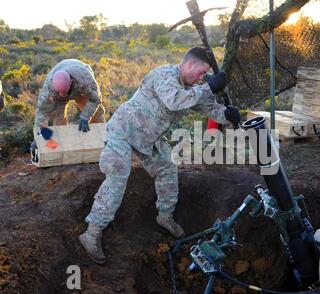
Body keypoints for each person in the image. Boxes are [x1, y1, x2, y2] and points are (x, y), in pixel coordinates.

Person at [79, 46, 241, 264]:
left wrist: (228, 115)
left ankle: (165, 216)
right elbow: (175, 100)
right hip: (123, 131)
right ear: (189, 64)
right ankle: (91, 233)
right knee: (117, 177)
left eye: (206, 75)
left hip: (150, 138)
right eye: (202, 72)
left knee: (167, 169)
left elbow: (208, 107)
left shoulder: (193, 86)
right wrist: (210, 86)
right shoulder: (164, 75)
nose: (203, 77)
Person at [33, 59, 104, 140]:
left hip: (79, 89)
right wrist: (38, 139)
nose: (64, 96)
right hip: (58, 97)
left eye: (65, 93)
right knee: (59, 121)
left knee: (96, 115)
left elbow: (95, 99)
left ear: (71, 82)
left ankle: (101, 139)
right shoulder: (48, 91)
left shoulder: (84, 80)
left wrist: (85, 117)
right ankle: (62, 143)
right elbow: (41, 115)